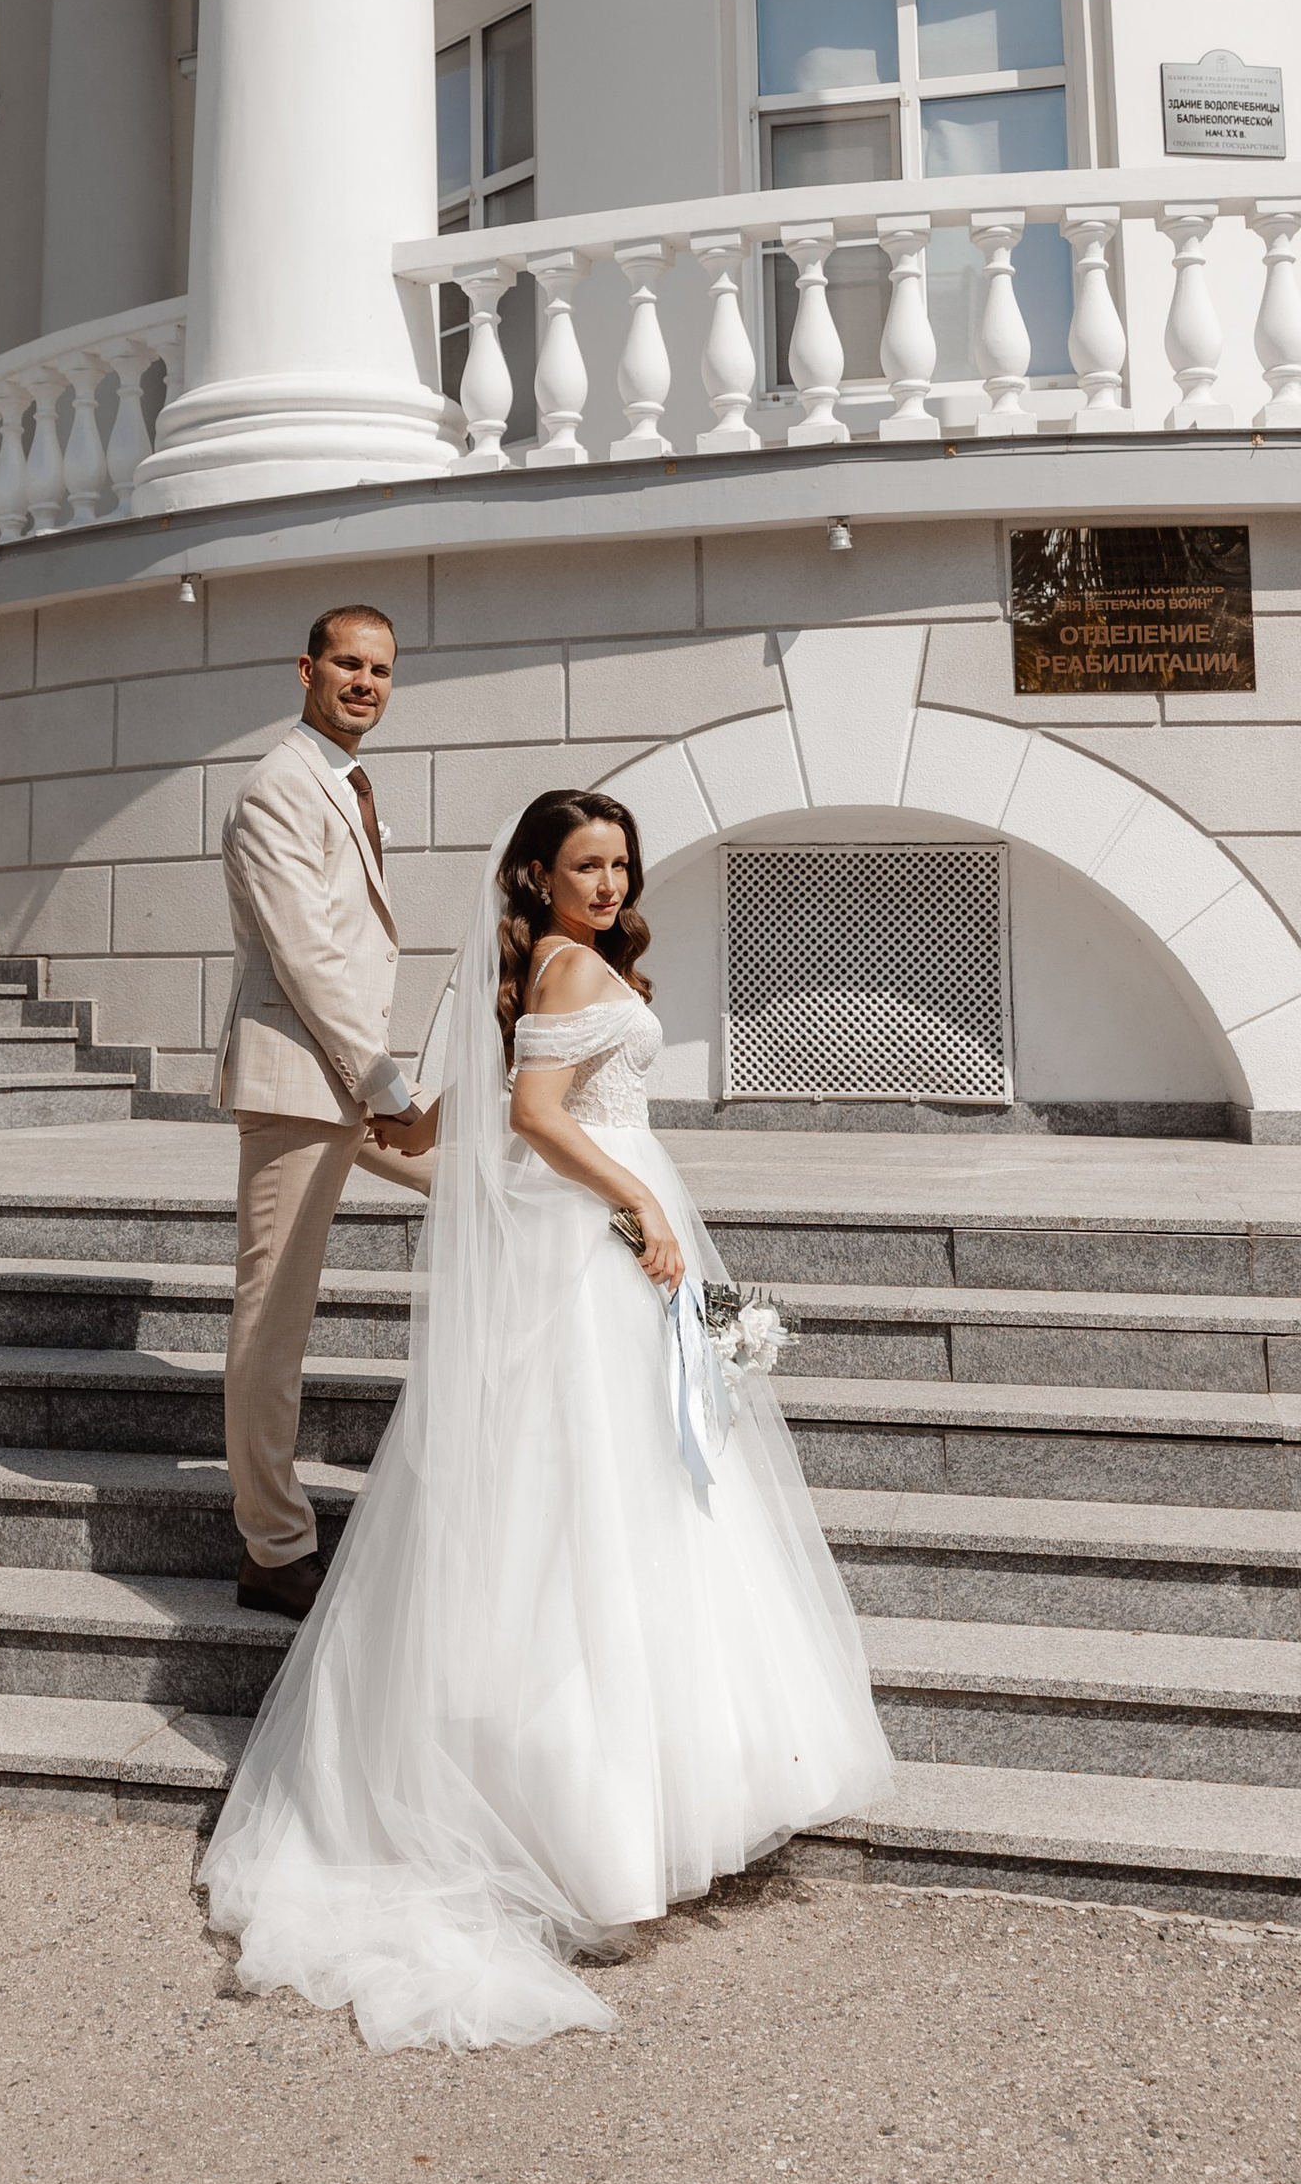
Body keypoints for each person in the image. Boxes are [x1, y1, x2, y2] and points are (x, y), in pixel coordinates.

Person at [198, 785, 895, 2051]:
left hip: (592, 1243)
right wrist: (640, 1201)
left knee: (615, 1497)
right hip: (592, 1244)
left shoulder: (543, 974)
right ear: (541, 875)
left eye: (620, 864)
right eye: (586, 864)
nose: (612, 883)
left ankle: (619, 1800)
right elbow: (536, 1117)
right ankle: (595, 1821)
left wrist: (428, 1130)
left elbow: (490, 1097)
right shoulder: (569, 968)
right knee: (599, 1507)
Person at [214, 603, 424, 1624]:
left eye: (380, 670)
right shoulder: (275, 790)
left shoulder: (350, 783)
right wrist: (387, 1083)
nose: (365, 683)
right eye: (347, 664)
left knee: (502, 1178)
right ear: (304, 667)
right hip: (306, 1081)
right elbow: (305, 954)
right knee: (273, 1321)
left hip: (350, 1077)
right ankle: (273, 1546)